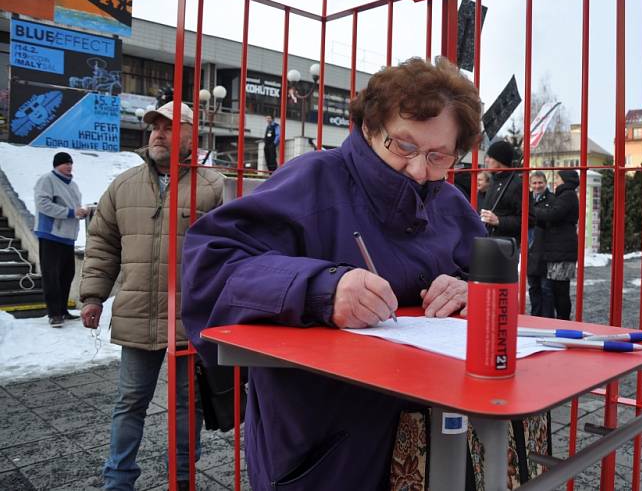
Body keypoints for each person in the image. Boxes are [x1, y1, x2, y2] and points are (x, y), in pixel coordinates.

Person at [180, 58, 503, 490]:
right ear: (369, 128)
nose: (420, 170)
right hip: (329, 441)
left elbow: (494, 287)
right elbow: (210, 265)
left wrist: (469, 291)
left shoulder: (450, 204)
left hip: (439, 438)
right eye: (403, 146)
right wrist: (321, 288)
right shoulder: (313, 179)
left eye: (439, 156)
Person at [79, 101, 224, 491]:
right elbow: (102, 245)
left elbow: (227, 251)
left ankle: (183, 478)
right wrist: (92, 295)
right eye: (155, 127)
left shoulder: (212, 186)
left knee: (186, 407)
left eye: (171, 127)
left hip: (188, 318)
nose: (159, 133)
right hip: (137, 315)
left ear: (193, 136)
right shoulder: (123, 186)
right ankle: (118, 481)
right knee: (129, 403)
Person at [33, 152, 88, 328]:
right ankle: (54, 313)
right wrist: (71, 213)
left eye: (70, 163)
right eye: (65, 163)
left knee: (66, 275)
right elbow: (43, 204)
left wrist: (81, 212)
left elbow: (74, 208)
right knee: (52, 275)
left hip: (67, 237)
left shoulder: (73, 185)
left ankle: (63, 309)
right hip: (51, 234)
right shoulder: (47, 180)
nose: (69, 166)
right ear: (56, 165)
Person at [531, 169, 579, 320]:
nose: (556, 181)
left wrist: (531, 210)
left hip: (562, 250)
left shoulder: (567, 195)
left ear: (565, 180)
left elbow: (553, 214)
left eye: (558, 178)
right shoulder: (564, 195)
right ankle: (560, 320)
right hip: (558, 249)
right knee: (556, 289)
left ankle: (564, 320)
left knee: (560, 290)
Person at [479, 139, 523, 244]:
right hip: (489, 242)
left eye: (490, 157)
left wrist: (499, 220)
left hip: (506, 246)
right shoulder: (494, 180)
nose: (486, 160)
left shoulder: (516, 184)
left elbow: (529, 219)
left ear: (499, 160)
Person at [526, 170, 552, 315]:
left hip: (545, 249)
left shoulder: (551, 199)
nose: (537, 186)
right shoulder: (526, 199)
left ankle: (547, 319)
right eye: (534, 183)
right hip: (530, 250)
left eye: (540, 182)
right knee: (533, 288)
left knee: (546, 289)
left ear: (545, 183)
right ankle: (535, 318)